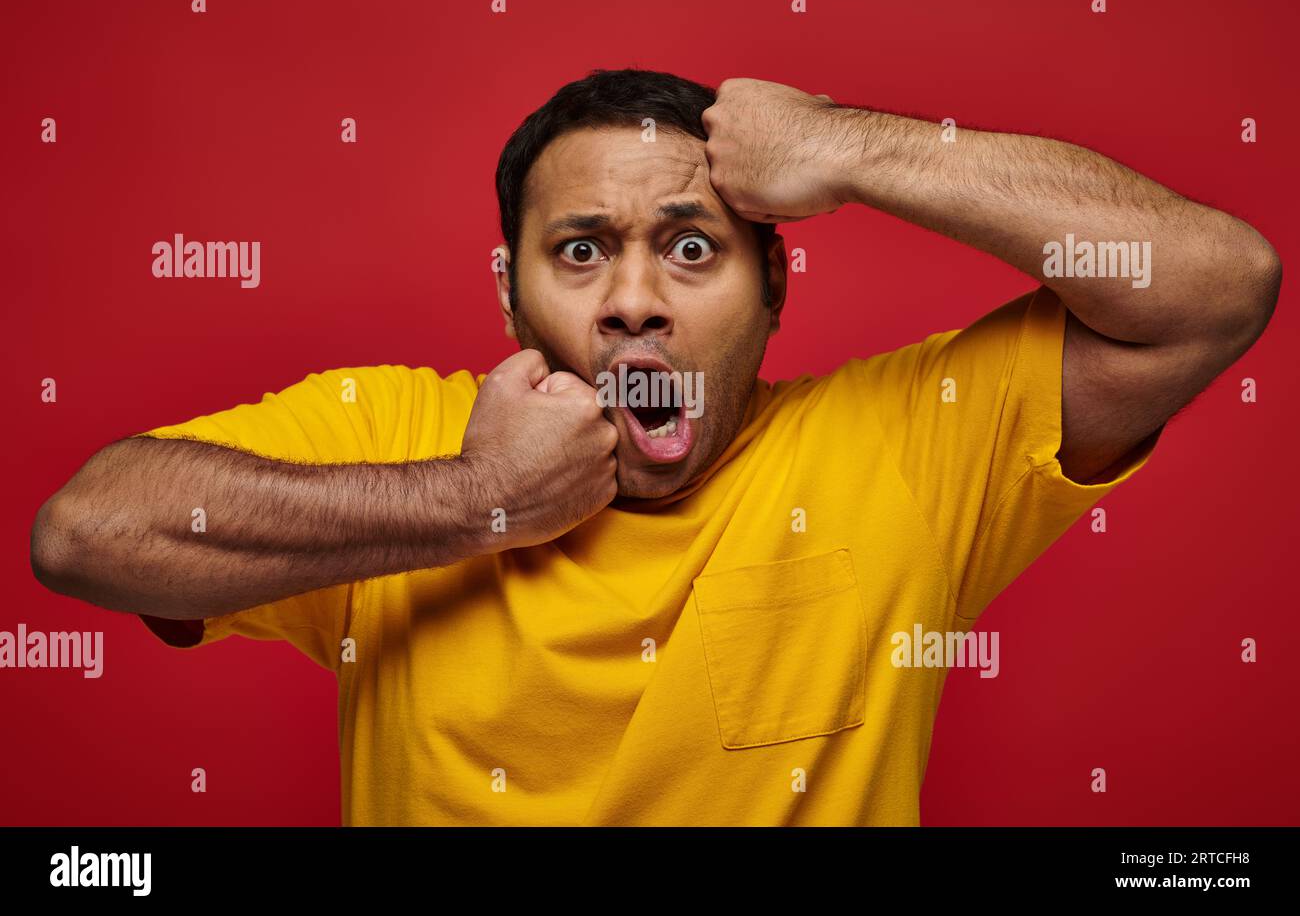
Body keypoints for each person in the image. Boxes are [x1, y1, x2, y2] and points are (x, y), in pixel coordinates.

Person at [29, 69, 1281, 825]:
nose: (633, 300)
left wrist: (851, 145)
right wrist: (473, 501)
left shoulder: (900, 447)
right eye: (580, 251)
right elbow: (88, 532)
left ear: (773, 293)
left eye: (692, 248)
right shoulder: (402, 434)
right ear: (509, 295)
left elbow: (1217, 284)